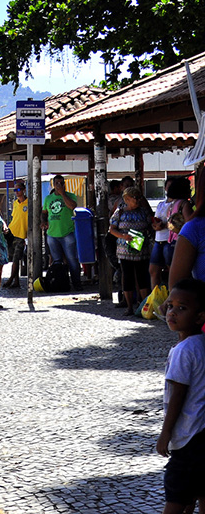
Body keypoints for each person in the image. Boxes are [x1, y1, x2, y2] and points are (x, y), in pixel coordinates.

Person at [155, 278, 205, 514]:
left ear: (200, 317)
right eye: (170, 305)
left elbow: (178, 395)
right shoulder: (200, 344)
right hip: (202, 433)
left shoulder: (184, 351)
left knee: (177, 494)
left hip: (187, 436)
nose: (172, 312)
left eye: (182, 308)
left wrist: (165, 433)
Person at [109, 185, 154, 315]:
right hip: (125, 250)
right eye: (135, 198)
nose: (138, 200)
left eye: (139, 198)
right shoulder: (120, 212)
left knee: (142, 277)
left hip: (141, 249)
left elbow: (150, 226)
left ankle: (143, 305)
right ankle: (129, 306)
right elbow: (112, 229)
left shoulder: (143, 212)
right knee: (127, 276)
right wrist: (124, 236)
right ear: (127, 199)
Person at [151, 177, 195, 290]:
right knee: (179, 275)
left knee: (171, 274)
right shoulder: (184, 204)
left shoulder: (172, 204)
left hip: (170, 240)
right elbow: (190, 223)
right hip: (179, 241)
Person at [42, 174, 83, 290]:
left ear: (64, 184)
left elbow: (72, 206)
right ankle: (60, 283)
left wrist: (62, 194)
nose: (59, 185)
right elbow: (44, 212)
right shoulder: (48, 199)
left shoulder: (70, 196)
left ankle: (77, 283)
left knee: (72, 259)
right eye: (57, 183)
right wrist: (43, 221)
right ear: (53, 185)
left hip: (67, 233)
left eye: (61, 183)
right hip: (52, 234)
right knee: (57, 261)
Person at [3, 180, 28, 289]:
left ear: (23, 190)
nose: (17, 192)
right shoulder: (15, 203)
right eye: (15, 190)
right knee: (13, 258)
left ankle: (11, 279)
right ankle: (16, 281)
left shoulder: (29, 203)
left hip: (22, 234)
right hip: (12, 232)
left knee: (16, 258)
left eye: (18, 190)